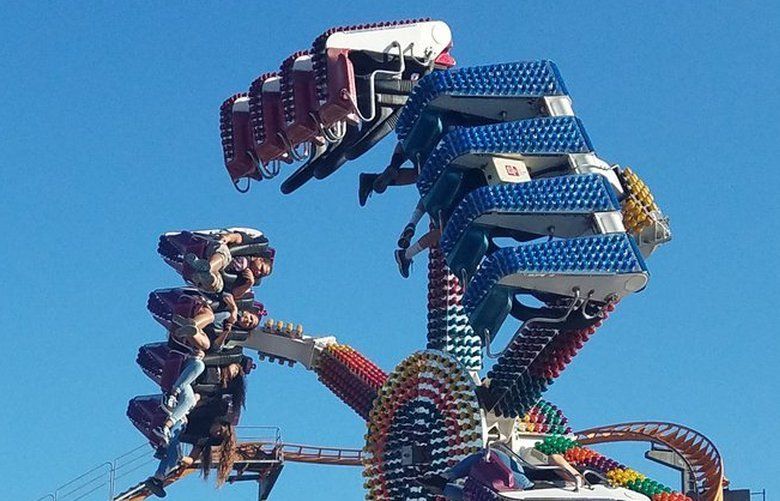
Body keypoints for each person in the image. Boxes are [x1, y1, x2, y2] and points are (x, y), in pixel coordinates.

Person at [144, 402, 239, 498]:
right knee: (177, 431)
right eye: (220, 431)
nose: (217, 433)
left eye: (220, 436)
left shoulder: (204, 440)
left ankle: (157, 479)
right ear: (219, 422)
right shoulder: (208, 415)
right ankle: (164, 443)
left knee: (173, 456)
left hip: (175, 436)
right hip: (178, 419)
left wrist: (181, 458)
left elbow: (191, 459)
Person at [154, 360, 247, 448]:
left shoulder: (217, 388)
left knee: (187, 409)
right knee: (199, 366)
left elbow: (202, 396)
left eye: (235, 374)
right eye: (235, 369)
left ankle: (165, 435)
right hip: (187, 374)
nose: (234, 373)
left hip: (187, 390)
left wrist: (199, 400)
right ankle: (172, 396)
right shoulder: (214, 364)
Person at [418, 445, 533, 500]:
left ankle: (444, 479)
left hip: (524, 490)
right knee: (469, 496)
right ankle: (442, 486)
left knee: (489, 455)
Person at [186, 231, 274, 296]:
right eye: (261, 269)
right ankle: (207, 268)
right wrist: (228, 237)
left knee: (218, 286)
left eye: (261, 274)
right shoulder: (251, 250)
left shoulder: (246, 279)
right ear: (260, 259)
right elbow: (238, 237)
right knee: (224, 257)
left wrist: (249, 283)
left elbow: (235, 293)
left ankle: (205, 274)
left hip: (217, 273)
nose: (258, 272)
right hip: (217, 252)